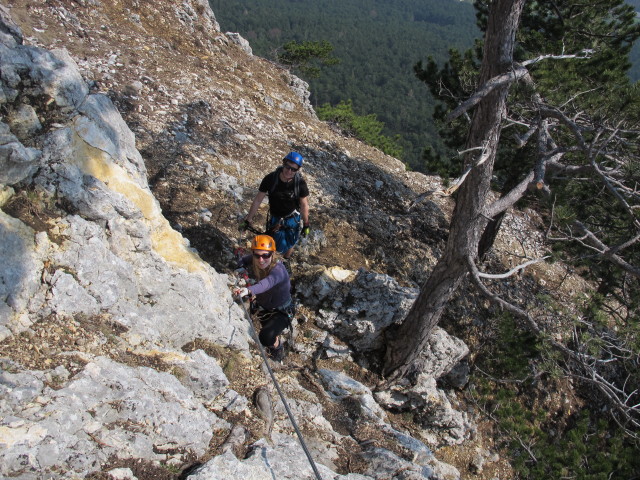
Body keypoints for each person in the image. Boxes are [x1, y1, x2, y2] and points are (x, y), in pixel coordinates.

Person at [240, 151, 310, 260]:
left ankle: (285, 260)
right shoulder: (270, 179)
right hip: (275, 217)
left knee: (291, 242)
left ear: (297, 170)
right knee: (275, 244)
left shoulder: (299, 184)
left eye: (293, 169)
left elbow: (304, 204)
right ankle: (273, 262)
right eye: (287, 167)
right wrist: (248, 220)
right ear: (283, 163)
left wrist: (306, 224)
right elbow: (258, 200)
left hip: (293, 218)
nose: (289, 171)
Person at [233, 234, 293, 362]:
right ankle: (274, 343)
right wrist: (240, 266)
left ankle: (277, 348)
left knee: (266, 337)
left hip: (281, 311)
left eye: (266, 255)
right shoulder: (256, 258)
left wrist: (249, 290)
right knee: (267, 333)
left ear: (272, 254)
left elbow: (266, 283)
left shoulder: (278, 270)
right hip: (264, 307)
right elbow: (243, 260)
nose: (261, 260)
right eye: (257, 255)